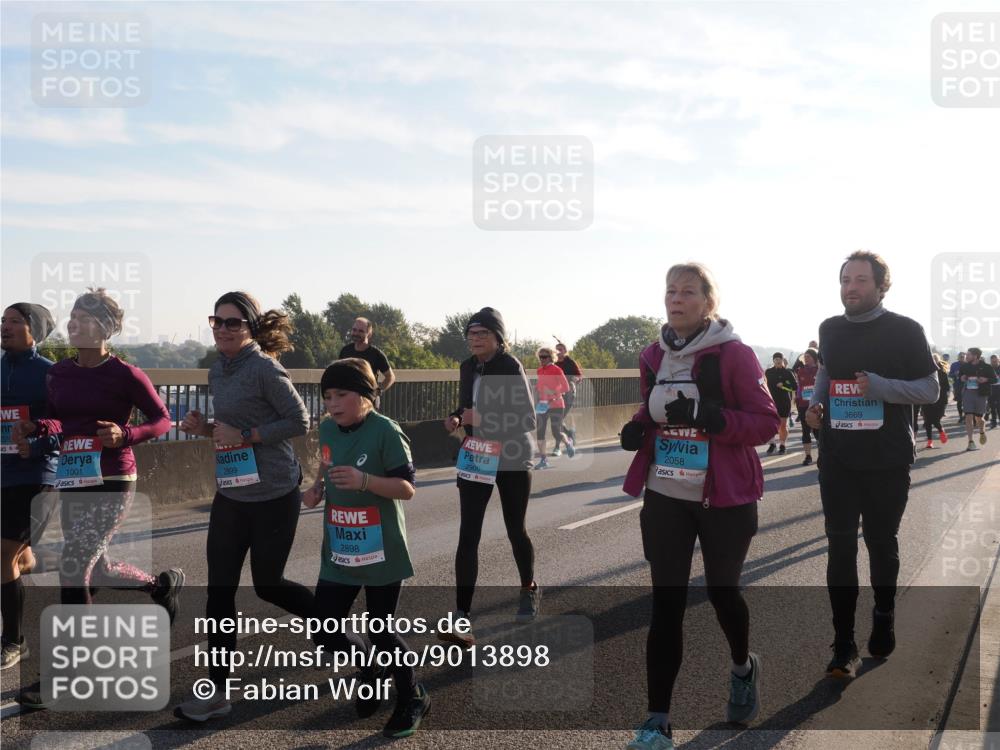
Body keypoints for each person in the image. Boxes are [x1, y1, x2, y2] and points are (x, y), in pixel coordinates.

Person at [621, 264, 779, 750]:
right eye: (670, 290)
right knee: (665, 602)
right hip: (666, 490)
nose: (676, 298)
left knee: (721, 591)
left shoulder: (734, 354)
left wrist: (710, 417)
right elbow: (652, 408)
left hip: (724, 495)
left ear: (708, 303)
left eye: (688, 291)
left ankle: (741, 667)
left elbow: (765, 422)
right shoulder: (652, 354)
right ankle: (657, 722)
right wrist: (637, 429)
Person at [13, 290, 183, 709]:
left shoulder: (125, 374)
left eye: (83, 318)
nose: (73, 324)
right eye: (71, 318)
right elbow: (60, 419)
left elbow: (163, 420)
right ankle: (160, 586)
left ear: (106, 328)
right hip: (74, 475)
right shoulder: (61, 373)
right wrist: (39, 430)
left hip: (112, 475)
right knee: (95, 564)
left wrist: (126, 434)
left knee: (74, 564)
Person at [175, 291, 314, 722]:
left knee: (269, 585)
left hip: (273, 493)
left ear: (250, 329)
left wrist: (249, 434)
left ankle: (340, 633)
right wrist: (206, 428)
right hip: (232, 492)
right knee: (219, 592)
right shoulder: (218, 370)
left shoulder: (264, 368)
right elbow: (229, 431)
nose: (222, 328)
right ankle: (218, 693)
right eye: (217, 320)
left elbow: (299, 421)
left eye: (232, 322)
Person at [804, 251, 938, 679]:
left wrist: (882, 388)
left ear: (882, 286)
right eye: (845, 279)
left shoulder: (905, 330)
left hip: (887, 459)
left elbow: (931, 389)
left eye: (861, 280)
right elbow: (826, 372)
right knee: (840, 546)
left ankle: (883, 614)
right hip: (838, 457)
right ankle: (843, 644)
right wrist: (815, 402)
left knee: (881, 543)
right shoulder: (830, 329)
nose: (851, 287)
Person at [301, 359, 429, 738]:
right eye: (326, 396)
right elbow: (326, 466)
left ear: (365, 395)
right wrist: (317, 489)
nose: (332, 403)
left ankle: (412, 696)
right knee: (324, 630)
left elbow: (406, 489)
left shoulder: (386, 432)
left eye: (341, 394)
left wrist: (364, 481)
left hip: (381, 551)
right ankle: (370, 665)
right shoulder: (326, 428)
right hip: (340, 548)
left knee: (381, 630)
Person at [440, 307, 539, 646]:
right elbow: (466, 405)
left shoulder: (510, 366)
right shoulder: (468, 367)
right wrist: (456, 417)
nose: (475, 340)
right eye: (470, 334)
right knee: (468, 534)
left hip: (511, 456)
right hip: (477, 455)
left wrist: (479, 416)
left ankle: (528, 588)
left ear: (498, 337)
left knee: (516, 530)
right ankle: (462, 616)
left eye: (482, 334)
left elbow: (526, 418)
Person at [1, 304, 58, 670]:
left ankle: (13, 641)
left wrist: (35, 444)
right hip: (1, 475)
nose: (5, 327)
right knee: (16, 559)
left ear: (34, 329)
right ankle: (33, 558)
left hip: (35, 477)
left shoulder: (51, 374)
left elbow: (66, 425)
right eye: (3, 321)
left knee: (1, 557)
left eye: (15, 322)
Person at [339, 318, 395, 407]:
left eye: (361, 331)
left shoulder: (376, 354)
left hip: (368, 402)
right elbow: (339, 374)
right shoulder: (345, 351)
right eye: (354, 330)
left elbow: (390, 377)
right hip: (348, 401)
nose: (356, 333)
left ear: (369, 334)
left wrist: (378, 391)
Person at [534, 346, 574, 468]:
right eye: (540, 357)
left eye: (544, 357)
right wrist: (536, 391)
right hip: (542, 405)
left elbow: (566, 388)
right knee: (540, 432)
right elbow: (540, 386)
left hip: (556, 404)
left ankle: (568, 442)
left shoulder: (557, 370)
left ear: (551, 357)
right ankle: (544, 460)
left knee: (556, 432)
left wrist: (552, 393)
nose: (542, 359)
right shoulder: (540, 370)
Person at [958, 347, 997, 450]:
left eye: (968, 355)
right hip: (968, 394)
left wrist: (986, 379)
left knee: (979, 418)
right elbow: (960, 376)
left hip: (981, 394)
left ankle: (982, 431)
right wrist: (962, 377)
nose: (966, 356)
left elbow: (995, 379)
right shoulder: (965, 366)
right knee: (968, 416)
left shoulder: (986, 367)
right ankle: (970, 442)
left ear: (975, 356)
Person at [764, 353, 797, 454]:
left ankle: (782, 445)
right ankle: (772, 444)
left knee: (782, 425)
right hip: (771, 401)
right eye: (776, 359)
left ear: (783, 360)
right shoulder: (768, 372)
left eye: (779, 359)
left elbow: (795, 387)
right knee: (770, 424)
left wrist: (784, 385)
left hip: (784, 401)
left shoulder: (787, 372)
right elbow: (763, 384)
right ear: (773, 360)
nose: (778, 361)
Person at [554, 341, 584, 444]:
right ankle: (569, 434)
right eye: (556, 350)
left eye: (560, 349)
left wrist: (574, 380)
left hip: (569, 394)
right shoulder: (554, 364)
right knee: (556, 419)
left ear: (565, 351)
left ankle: (558, 445)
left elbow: (580, 377)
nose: (558, 352)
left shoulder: (570, 362)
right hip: (557, 395)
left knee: (558, 418)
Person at [794, 348, 820, 465]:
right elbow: (799, 387)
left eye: (808, 356)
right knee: (805, 430)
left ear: (814, 358)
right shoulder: (801, 371)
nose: (806, 359)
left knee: (818, 430)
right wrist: (797, 399)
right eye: (805, 357)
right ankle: (808, 456)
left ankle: (822, 454)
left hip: (817, 404)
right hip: (803, 404)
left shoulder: (820, 370)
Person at [921, 354, 951, 449]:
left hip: (940, 400)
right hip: (927, 399)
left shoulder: (942, 372)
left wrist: (937, 388)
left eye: (934, 360)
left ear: (937, 362)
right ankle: (930, 442)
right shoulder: (924, 372)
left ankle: (941, 431)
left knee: (935, 420)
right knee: (927, 421)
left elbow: (947, 387)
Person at [949, 352, 966, 420]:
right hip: (957, 385)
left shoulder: (968, 364)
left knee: (966, 402)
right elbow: (950, 375)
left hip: (967, 385)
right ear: (958, 357)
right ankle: (960, 416)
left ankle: (966, 416)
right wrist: (955, 374)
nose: (962, 358)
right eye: (960, 356)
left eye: (963, 356)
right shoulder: (954, 365)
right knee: (959, 401)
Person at [987, 354, 1000, 429]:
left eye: (995, 361)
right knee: (992, 406)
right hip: (991, 389)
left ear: (999, 360)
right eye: (992, 362)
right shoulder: (989, 368)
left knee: (999, 406)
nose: (994, 363)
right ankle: (994, 422)